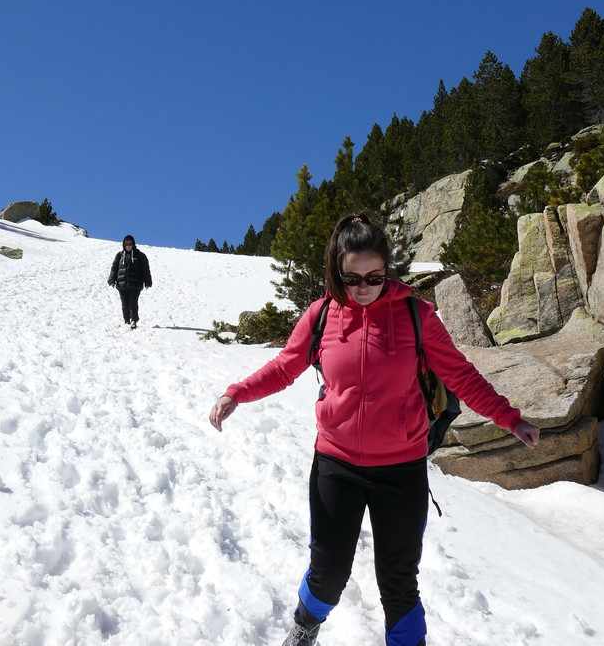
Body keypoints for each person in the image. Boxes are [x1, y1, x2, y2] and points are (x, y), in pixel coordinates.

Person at [208, 211, 539, 646]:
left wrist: (509, 417)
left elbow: (461, 376)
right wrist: (237, 393)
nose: (363, 288)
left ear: (387, 272)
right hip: (336, 464)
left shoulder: (417, 316)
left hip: (402, 470)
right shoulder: (321, 315)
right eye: (352, 279)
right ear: (336, 273)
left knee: (399, 582)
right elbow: (285, 366)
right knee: (328, 573)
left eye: (374, 277)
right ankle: (305, 628)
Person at [108, 234, 152, 328]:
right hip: (122, 283)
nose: (128, 245)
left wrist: (147, 282)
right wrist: (112, 279)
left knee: (133, 302)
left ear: (133, 244)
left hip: (135, 283)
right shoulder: (120, 255)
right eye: (126, 243)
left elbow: (145, 269)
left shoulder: (140, 255)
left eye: (130, 243)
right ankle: (126, 320)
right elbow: (114, 268)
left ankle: (134, 320)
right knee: (125, 303)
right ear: (124, 244)